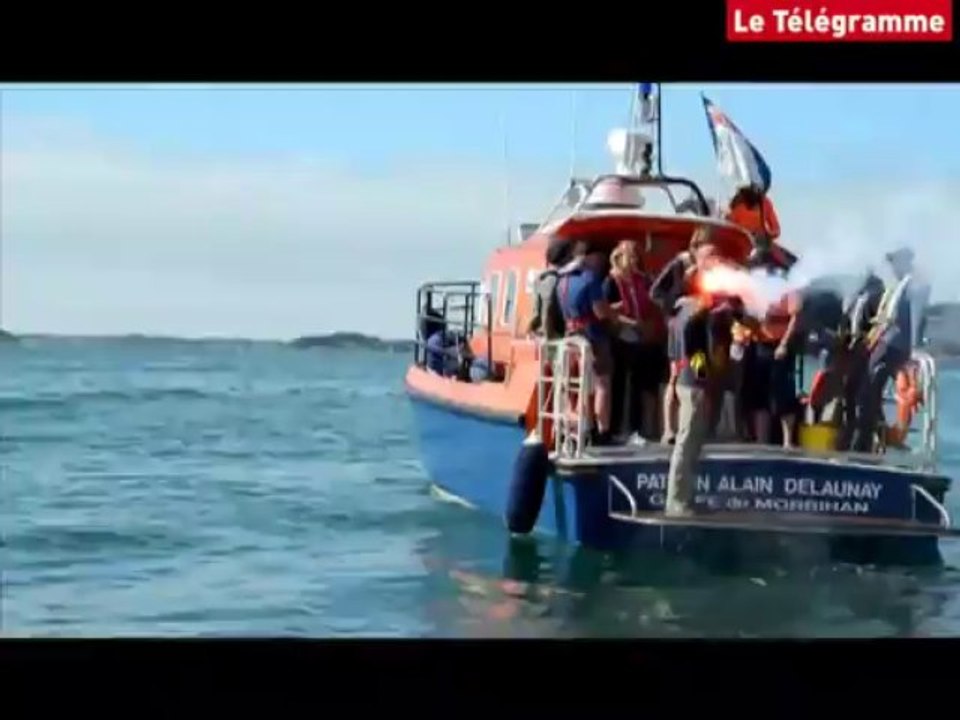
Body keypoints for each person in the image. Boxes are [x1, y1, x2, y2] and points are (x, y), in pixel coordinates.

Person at [664, 294, 740, 516]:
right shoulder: (695, 320)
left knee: (692, 445)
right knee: (687, 444)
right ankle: (677, 501)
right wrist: (704, 380)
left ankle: (685, 497)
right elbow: (695, 352)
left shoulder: (680, 316)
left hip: (687, 382)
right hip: (693, 385)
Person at [650, 227, 717, 444]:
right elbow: (656, 292)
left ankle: (695, 426)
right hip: (680, 331)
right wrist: (675, 306)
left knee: (700, 376)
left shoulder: (711, 269)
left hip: (698, 333)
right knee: (675, 375)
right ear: (695, 247)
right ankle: (669, 429)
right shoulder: (679, 265)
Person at [850, 248, 918, 453]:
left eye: (895, 262)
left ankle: (863, 445)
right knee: (867, 393)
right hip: (887, 343)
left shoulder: (910, 285)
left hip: (892, 345)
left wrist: (911, 349)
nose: (892, 267)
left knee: (867, 392)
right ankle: (870, 439)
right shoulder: (898, 285)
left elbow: (895, 319)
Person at [557, 240, 617, 445]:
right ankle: (602, 431)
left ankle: (574, 429)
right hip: (593, 337)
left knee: (575, 385)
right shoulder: (589, 279)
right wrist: (615, 313)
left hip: (570, 336)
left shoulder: (562, 281)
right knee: (602, 384)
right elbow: (600, 312)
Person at [604, 239, 663, 440]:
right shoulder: (611, 281)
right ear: (620, 257)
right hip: (620, 336)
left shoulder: (641, 280)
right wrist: (630, 322)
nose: (635, 259)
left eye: (636, 256)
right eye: (631, 256)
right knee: (619, 384)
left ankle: (636, 429)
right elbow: (605, 311)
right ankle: (615, 429)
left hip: (640, 338)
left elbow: (652, 301)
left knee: (639, 385)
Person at [743, 288, 803, 448]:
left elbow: (796, 317)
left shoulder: (789, 289)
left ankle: (787, 441)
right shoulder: (756, 288)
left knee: (784, 395)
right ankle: (761, 440)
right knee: (759, 395)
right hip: (760, 344)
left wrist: (784, 344)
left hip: (780, 346)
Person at [527, 236, 573, 340]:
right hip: (554, 334)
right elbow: (547, 308)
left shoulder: (540, 278)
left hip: (544, 333)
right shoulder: (553, 280)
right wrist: (549, 335)